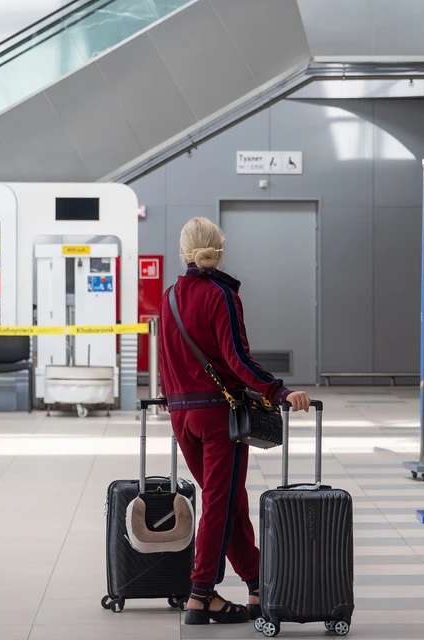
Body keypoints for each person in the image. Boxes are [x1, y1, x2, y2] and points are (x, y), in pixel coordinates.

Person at [158, 217, 310, 625]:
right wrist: (277, 391)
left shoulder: (170, 296)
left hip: (181, 416)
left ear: (183, 250)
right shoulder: (220, 295)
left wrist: (169, 396)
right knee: (220, 505)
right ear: (219, 250)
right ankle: (201, 592)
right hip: (217, 417)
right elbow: (237, 358)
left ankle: (258, 581)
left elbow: (167, 357)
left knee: (227, 502)